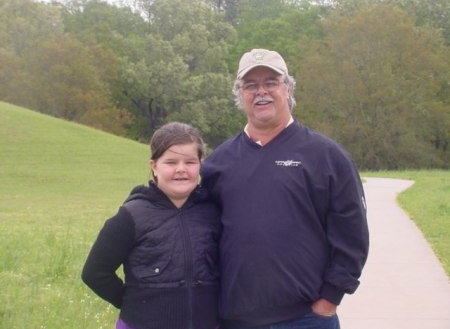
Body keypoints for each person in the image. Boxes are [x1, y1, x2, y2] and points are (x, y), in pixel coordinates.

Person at [200, 49, 369, 329]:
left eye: (271, 82)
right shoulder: (218, 162)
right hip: (234, 318)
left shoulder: (326, 156)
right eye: (251, 85)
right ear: (239, 93)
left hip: (305, 318)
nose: (261, 91)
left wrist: (329, 300)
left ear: (287, 88)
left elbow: (352, 235)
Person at [82, 122, 221, 329]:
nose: (181, 169)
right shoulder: (131, 215)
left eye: (190, 162)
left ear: (200, 164)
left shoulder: (212, 212)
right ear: (154, 166)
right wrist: (134, 306)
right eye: (171, 162)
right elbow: (95, 273)